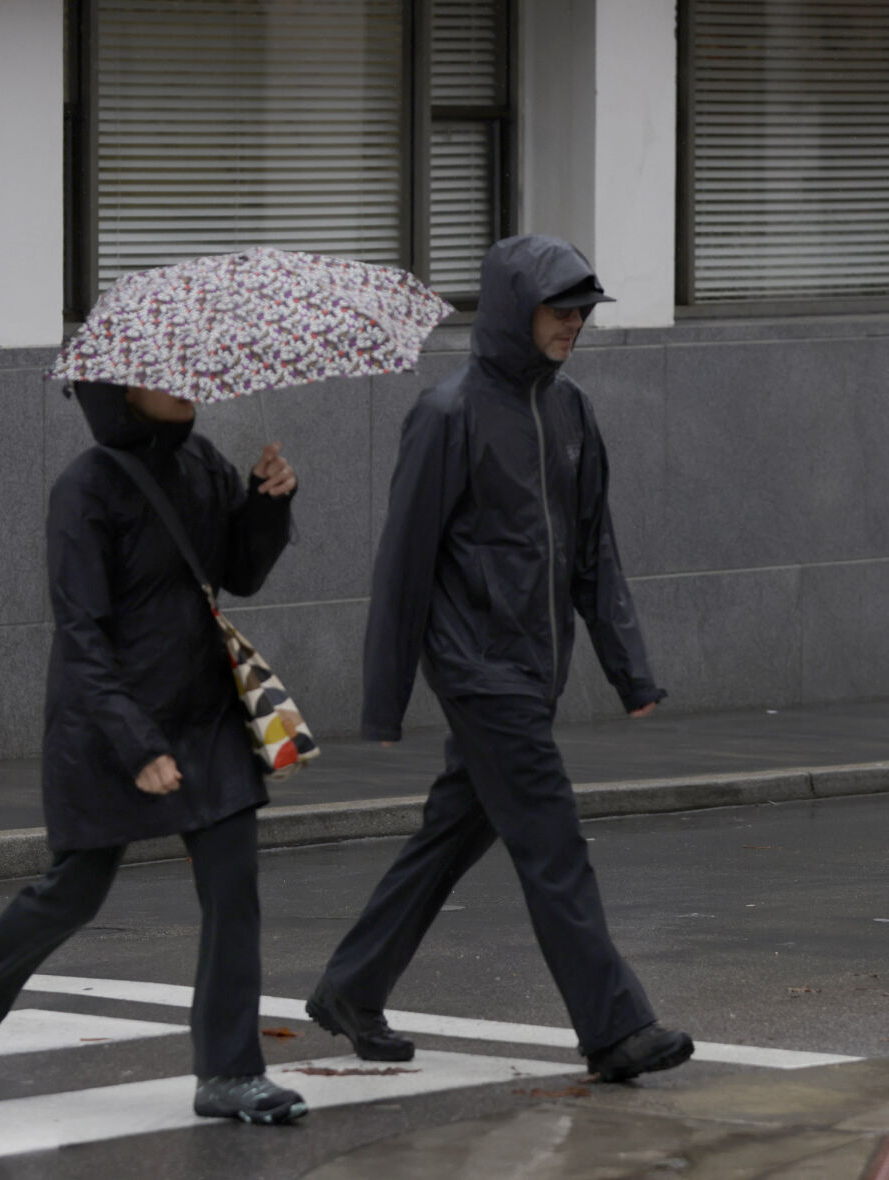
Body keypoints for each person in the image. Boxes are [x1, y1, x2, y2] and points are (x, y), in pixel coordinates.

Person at [305, 235, 695, 1084]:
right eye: (561, 310)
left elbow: (594, 550)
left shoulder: (572, 411)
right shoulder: (445, 415)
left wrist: (629, 669)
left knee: (452, 832)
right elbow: (402, 564)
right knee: (553, 848)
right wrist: (384, 700)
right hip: (479, 671)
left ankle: (350, 986)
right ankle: (614, 1027)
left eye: (583, 312)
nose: (575, 326)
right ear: (517, 309)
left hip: (531, 668)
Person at [0, 380, 309, 1124]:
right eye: (164, 374)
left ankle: (229, 1072)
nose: (185, 383)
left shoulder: (202, 462)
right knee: (77, 889)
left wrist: (266, 502)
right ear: (123, 390)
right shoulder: (85, 489)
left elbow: (239, 573)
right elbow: (81, 633)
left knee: (234, 889)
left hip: (204, 714)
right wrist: (135, 742)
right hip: (106, 722)